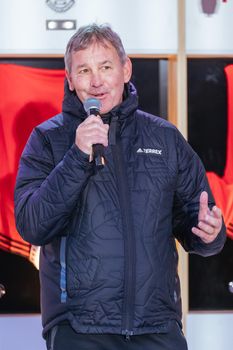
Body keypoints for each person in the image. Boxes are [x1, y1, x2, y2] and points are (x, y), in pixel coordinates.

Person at [14, 23, 226, 350]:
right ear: (70, 79)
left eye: (106, 67)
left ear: (126, 70)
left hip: (157, 325)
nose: (96, 80)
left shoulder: (164, 138)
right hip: (80, 328)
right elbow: (32, 225)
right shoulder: (47, 139)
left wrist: (210, 233)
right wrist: (76, 156)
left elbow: (194, 221)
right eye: (84, 70)